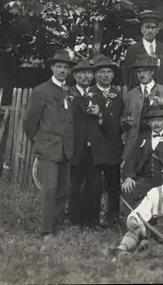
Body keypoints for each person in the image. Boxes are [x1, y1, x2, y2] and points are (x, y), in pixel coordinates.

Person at [23, 49, 75, 247]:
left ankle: (57, 223)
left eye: (65, 67)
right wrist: (38, 140)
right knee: (50, 188)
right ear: (52, 67)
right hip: (47, 147)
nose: (62, 70)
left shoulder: (70, 91)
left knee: (64, 188)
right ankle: (46, 230)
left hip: (66, 148)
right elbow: (29, 121)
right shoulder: (41, 91)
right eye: (59, 66)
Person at [121, 96, 163, 208]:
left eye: (160, 120)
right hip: (146, 180)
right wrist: (129, 177)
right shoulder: (143, 137)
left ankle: (159, 223)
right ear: (148, 122)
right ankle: (134, 223)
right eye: (153, 120)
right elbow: (131, 159)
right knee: (128, 190)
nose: (156, 124)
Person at [67, 59, 107, 229]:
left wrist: (99, 115)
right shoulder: (68, 95)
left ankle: (93, 221)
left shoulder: (98, 95)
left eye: (89, 73)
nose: (85, 76)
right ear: (75, 75)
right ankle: (75, 221)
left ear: (93, 76)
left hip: (94, 148)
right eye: (81, 73)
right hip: (76, 146)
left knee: (95, 185)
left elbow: (105, 124)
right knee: (75, 184)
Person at [121, 55, 163, 162]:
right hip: (135, 145)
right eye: (139, 72)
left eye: (145, 71)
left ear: (152, 72)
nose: (142, 74)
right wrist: (126, 121)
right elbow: (123, 118)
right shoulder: (130, 95)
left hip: (160, 145)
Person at [90, 56, 124, 228]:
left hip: (113, 146)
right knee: (93, 185)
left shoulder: (118, 96)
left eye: (109, 72)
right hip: (94, 147)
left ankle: (113, 218)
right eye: (102, 72)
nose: (105, 75)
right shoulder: (89, 94)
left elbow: (121, 119)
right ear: (95, 75)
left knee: (113, 184)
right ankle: (93, 219)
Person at [122, 10, 163, 89]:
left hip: (161, 92)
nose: (150, 31)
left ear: (157, 30)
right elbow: (126, 76)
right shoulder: (133, 50)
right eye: (147, 27)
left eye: (153, 27)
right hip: (139, 92)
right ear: (142, 29)